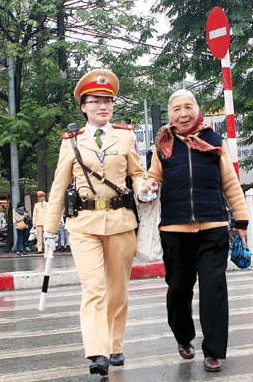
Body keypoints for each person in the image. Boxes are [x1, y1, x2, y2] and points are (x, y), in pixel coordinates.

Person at [42, 68, 146, 376]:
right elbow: (58, 187)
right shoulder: (71, 141)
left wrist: (144, 187)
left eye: (107, 101)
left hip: (121, 223)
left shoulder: (125, 136)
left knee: (117, 290)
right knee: (94, 288)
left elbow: (137, 174)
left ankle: (115, 344)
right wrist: (49, 230)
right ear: (84, 106)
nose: (103, 106)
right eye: (95, 101)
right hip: (84, 225)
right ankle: (97, 352)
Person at [142, 88, 249, 373]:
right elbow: (153, 177)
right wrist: (149, 185)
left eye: (188, 107)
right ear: (170, 115)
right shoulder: (163, 145)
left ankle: (214, 352)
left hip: (212, 226)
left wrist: (241, 221)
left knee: (213, 288)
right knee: (178, 288)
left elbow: (230, 183)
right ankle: (183, 336)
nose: (183, 113)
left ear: (197, 110)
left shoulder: (214, 141)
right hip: (174, 229)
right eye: (176, 109)